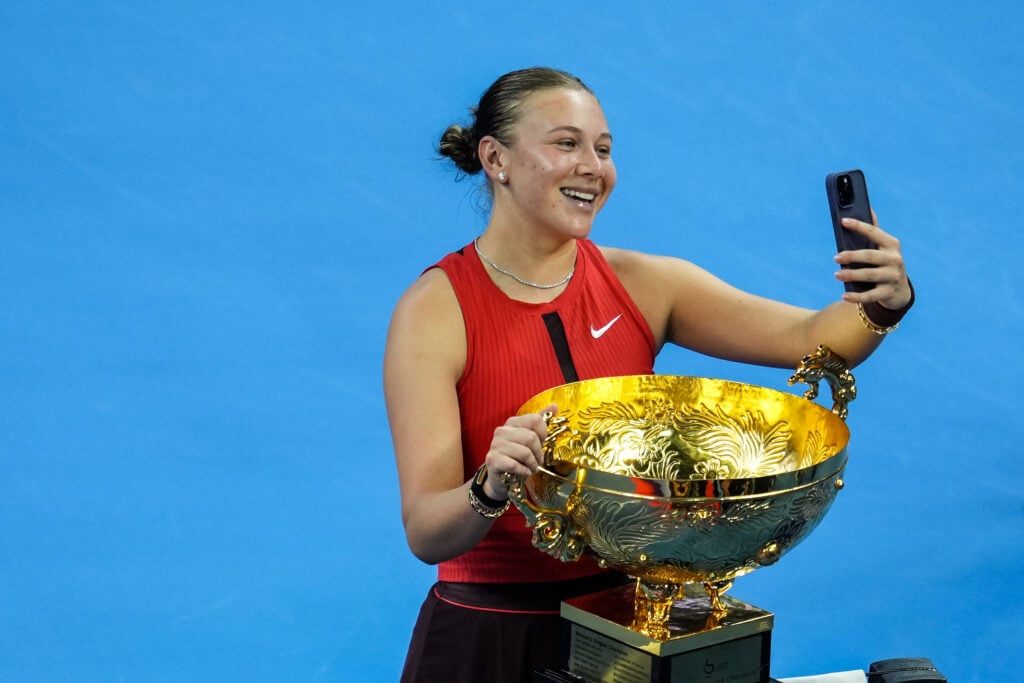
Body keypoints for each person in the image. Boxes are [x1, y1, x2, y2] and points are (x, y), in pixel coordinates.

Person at [383, 67, 913, 682]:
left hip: (637, 631)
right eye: (566, 143)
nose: (593, 166)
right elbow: (427, 530)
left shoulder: (646, 285)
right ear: (495, 158)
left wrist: (881, 301)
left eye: (603, 149)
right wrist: (490, 485)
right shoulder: (434, 311)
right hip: (492, 639)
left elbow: (810, 341)